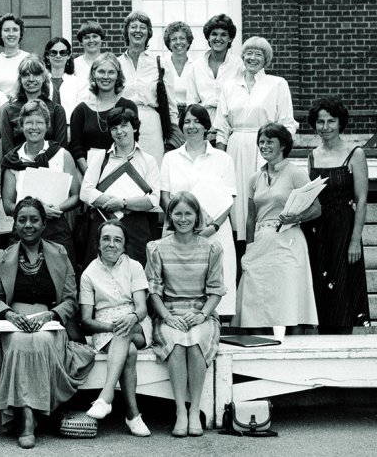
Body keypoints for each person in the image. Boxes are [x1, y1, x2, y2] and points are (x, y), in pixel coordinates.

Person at [0, 197, 95, 449]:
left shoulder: (59, 254)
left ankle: (30, 413)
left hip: (50, 323)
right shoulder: (1, 256)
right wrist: (9, 315)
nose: (28, 225)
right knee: (18, 342)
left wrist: (51, 315)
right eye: (22, 219)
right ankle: (25, 416)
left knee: (42, 340)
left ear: (44, 223)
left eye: (34, 219)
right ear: (14, 224)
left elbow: (70, 300)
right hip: (12, 323)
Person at [146, 191, 225, 437]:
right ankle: (180, 410)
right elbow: (154, 291)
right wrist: (168, 317)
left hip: (201, 312)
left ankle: (195, 411)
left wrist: (202, 315)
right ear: (169, 216)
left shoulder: (211, 247)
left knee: (196, 342)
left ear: (197, 216)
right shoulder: (157, 248)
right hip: (168, 311)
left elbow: (216, 290)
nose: (183, 219)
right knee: (178, 343)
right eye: (177, 213)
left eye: (188, 213)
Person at [231, 124, 320, 333]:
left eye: (269, 141)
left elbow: (317, 208)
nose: (264, 146)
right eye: (261, 142)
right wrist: (248, 247)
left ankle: (294, 356)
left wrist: (297, 216)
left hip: (288, 243)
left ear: (283, 145)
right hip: (260, 245)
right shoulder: (255, 177)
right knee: (255, 300)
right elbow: (250, 217)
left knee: (289, 300)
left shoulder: (295, 173)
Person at [214, 36, 298, 242]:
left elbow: (287, 124)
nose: (252, 58)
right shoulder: (229, 86)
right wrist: (219, 161)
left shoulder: (277, 84)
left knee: (261, 196)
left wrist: (276, 155)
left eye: (258, 54)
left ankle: (262, 239)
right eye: (248, 53)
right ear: (242, 56)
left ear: (266, 59)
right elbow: (222, 128)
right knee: (237, 198)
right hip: (235, 149)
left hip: (265, 149)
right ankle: (239, 244)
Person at [159, 104, 237, 316]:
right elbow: (164, 196)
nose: (191, 126)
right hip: (180, 232)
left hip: (214, 232)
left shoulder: (223, 159)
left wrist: (212, 227)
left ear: (206, 126)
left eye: (196, 121)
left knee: (218, 278)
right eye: (186, 121)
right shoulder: (170, 158)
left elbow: (229, 198)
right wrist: (180, 224)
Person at [79, 220, 152, 436]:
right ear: (98, 243)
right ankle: (133, 415)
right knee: (127, 350)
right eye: (106, 239)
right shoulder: (89, 274)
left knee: (126, 329)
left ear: (124, 245)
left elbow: (142, 309)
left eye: (117, 240)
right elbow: (86, 320)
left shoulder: (135, 267)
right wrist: (111, 326)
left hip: (137, 325)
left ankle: (106, 395)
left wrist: (130, 317)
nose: (112, 244)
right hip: (105, 330)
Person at [304, 98, 371, 333]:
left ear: (340, 122)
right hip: (317, 230)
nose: (326, 126)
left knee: (343, 286)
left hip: (344, 229)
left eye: (331, 121)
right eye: (320, 122)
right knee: (321, 286)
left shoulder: (355, 153)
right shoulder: (312, 155)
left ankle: (344, 339)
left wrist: (355, 240)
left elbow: (362, 199)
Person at [1, 100, 79, 268]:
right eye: (29, 123)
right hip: (23, 229)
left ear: (47, 125)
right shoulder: (13, 160)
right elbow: (7, 205)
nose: (34, 127)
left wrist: (56, 209)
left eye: (39, 123)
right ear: (21, 125)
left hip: (56, 227)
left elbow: (76, 196)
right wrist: (36, 212)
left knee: (62, 276)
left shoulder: (61, 155)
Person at [80, 108, 160, 267]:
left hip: (135, 229)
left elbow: (154, 199)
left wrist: (122, 203)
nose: (119, 131)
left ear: (134, 128)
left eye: (124, 126)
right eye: (114, 128)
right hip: (104, 225)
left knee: (134, 276)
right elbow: (85, 192)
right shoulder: (101, 158)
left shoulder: (148, 160)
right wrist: (112, 202)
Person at [118, 11, 178, 165]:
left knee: (152, 167)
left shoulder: (161, 64)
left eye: (142, 27)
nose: (138, 30)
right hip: (123, 123)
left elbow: (171, 104)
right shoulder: (116, 64)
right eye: (133, 27)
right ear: (126, 31)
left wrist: (173, 135)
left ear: (148, 33)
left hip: (151, 124)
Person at [69, 52, 139, 173]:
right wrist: (90, 177)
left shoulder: (128, 106)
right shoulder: (81, 110)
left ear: (118, 75)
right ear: (93, 74)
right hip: (87, 174)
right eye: (101, 71)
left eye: (111, 72)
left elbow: (133, 145)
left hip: (121, 173)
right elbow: (77, 149)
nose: (106, 76)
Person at [0, 54, 68, 157]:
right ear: (20, 79)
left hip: (49, 168)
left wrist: (37, 169)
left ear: (44, 77)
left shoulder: (57, 110)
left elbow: (60, 149)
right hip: (17, 167)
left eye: (36, 74)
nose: (31, 79)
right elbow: (8, 150)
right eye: (26, 75)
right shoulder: (9, 111)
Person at [185, 14, 243, 126]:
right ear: (208, 37)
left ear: (230, 38)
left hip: (230, 121)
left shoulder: (239, 65)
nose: (218, 39)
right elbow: (191, 103)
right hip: (202, 122)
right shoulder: (195, 67)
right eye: (214, 34)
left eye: (223, 35)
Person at [0, 13, 30, 98]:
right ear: (0, 33)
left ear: (20, 33)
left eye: (15, 30)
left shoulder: (29, 59)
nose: (11, 34)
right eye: (6, 30)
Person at [43, 37, 82, 122]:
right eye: (53, 52)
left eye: (62, 53)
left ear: (68, 56)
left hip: (69, 129)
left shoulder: (79, 83)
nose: (58, 56)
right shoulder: (41, 81)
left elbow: (80, 112)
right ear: (47, 55)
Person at [162, 21, 195, 114]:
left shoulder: (195, 66)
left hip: (190, 114)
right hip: (167, 114)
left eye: (182, 38)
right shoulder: (162, 65)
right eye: (174, 39)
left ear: (188, 42)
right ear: (169, 43)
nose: (178, 42)